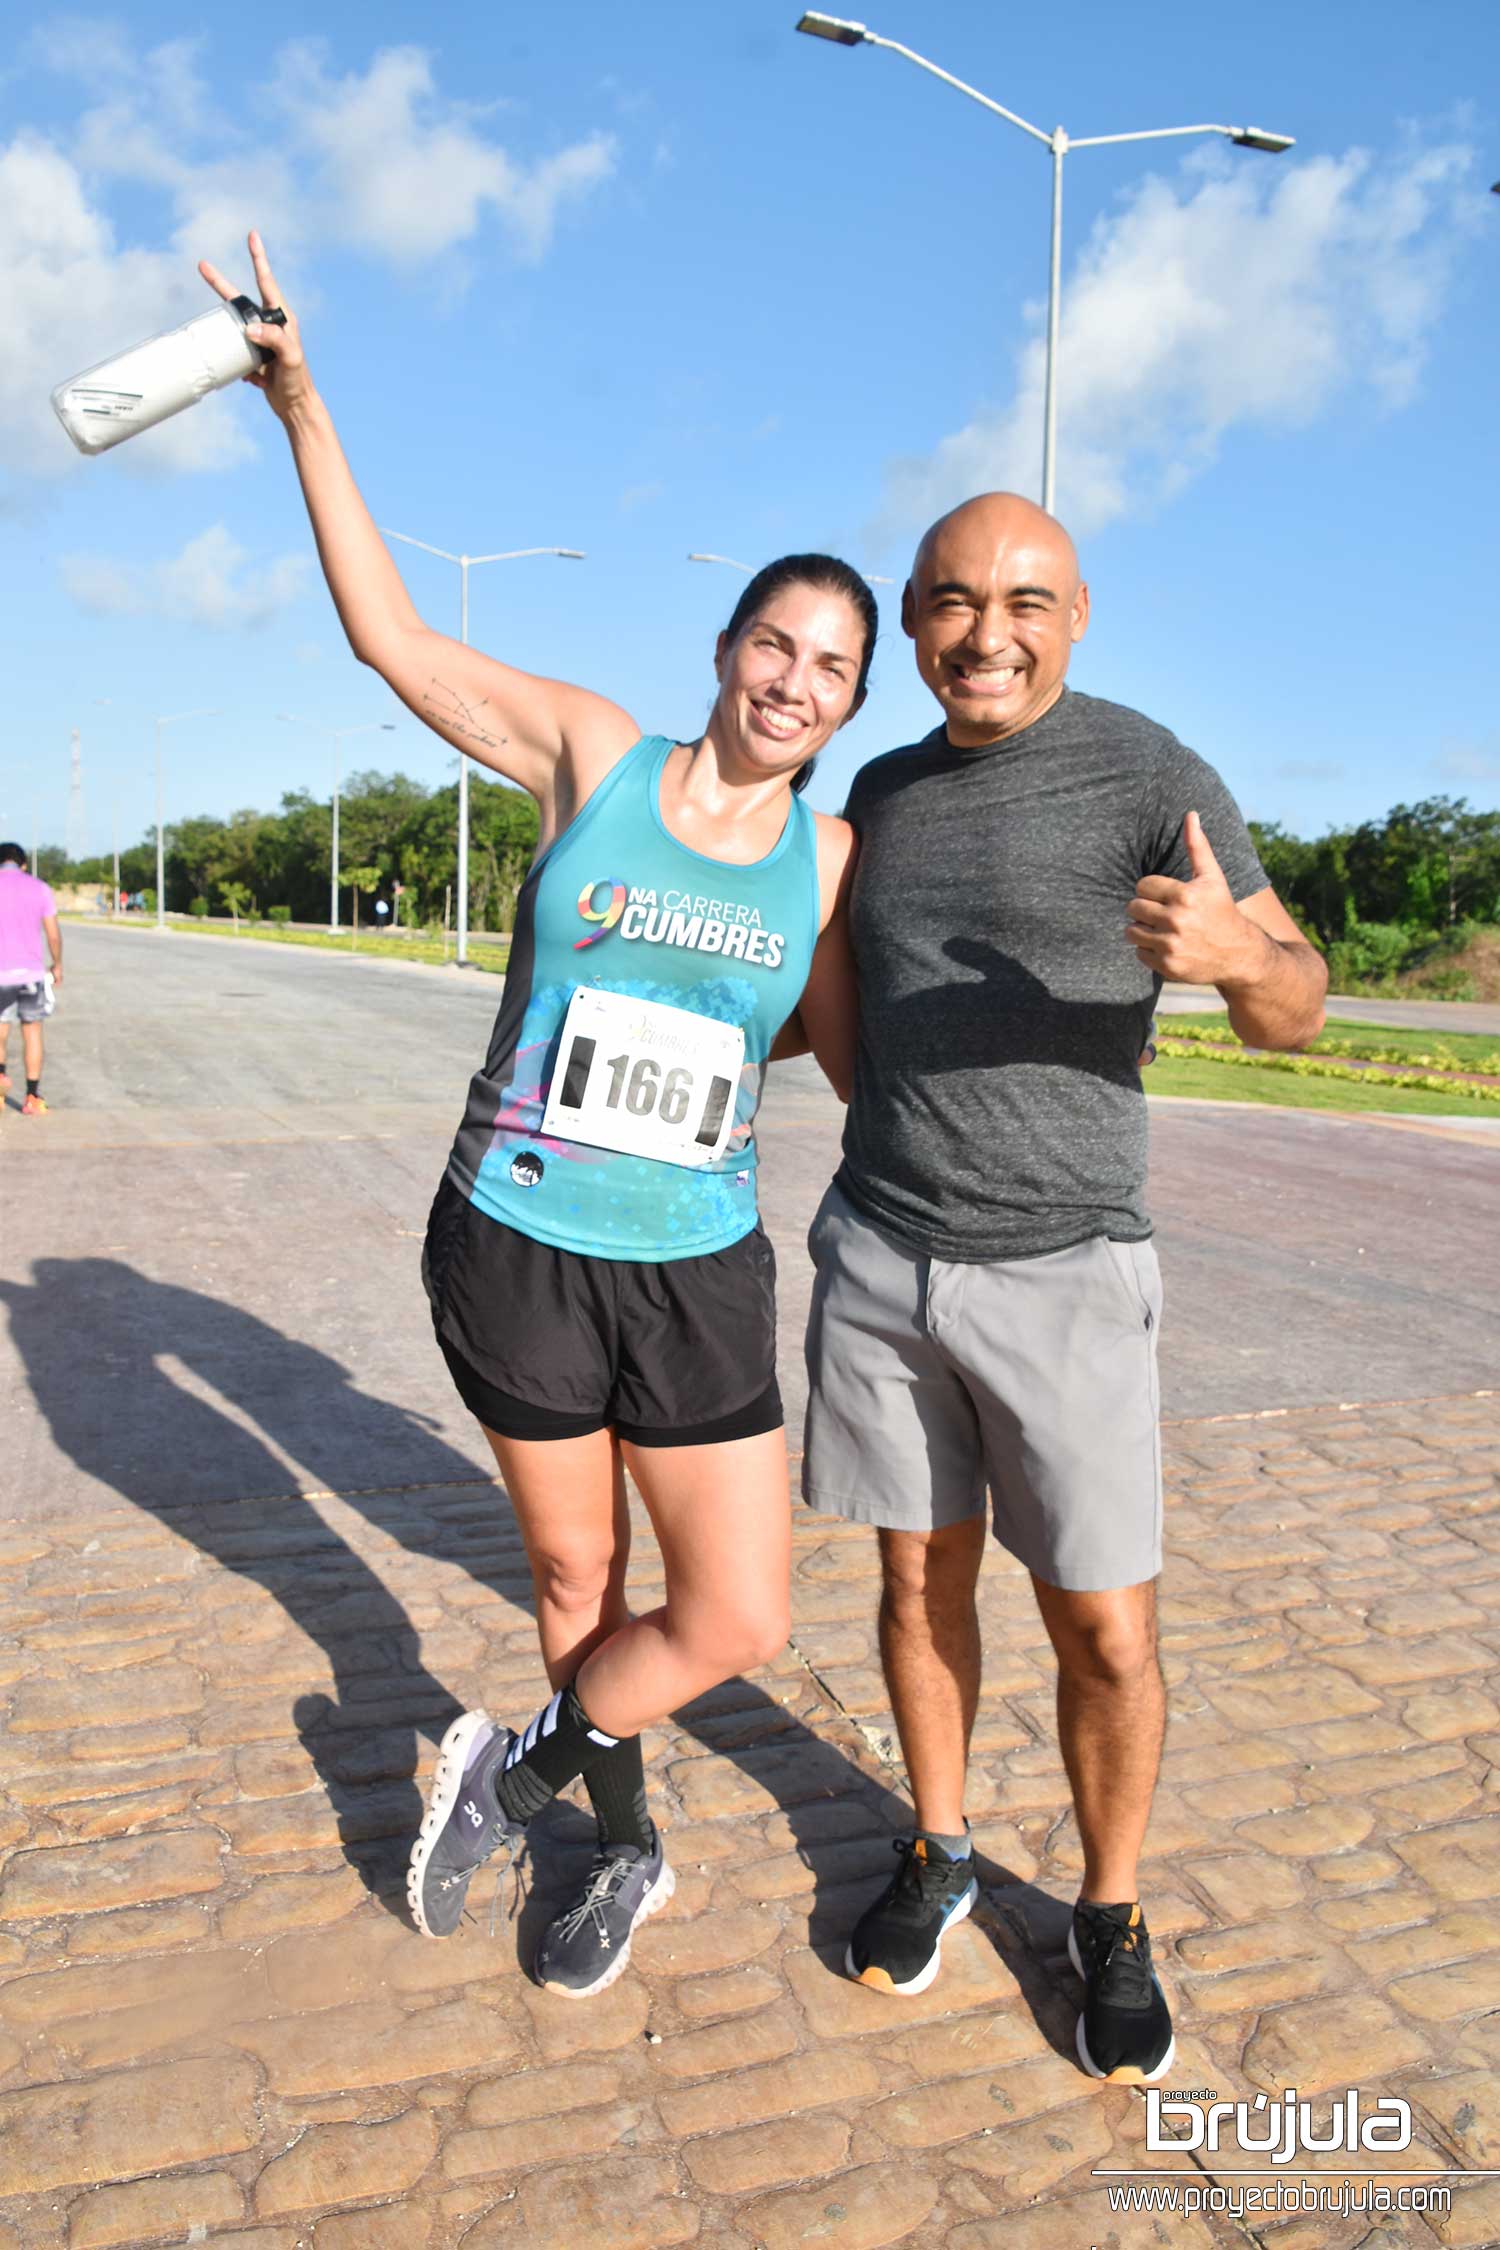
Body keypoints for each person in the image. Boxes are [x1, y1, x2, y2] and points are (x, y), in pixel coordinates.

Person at [200, 233, 868, 1995]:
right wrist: (303, 408)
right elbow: (388, 637)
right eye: (776, 643)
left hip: (697, 1261)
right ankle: (620, 1850)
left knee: (733, 1612)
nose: (794, 681)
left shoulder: (838, 857)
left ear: (848, 707)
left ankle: (516, 1767)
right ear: (727, 648)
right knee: (578, 1579)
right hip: (517, 1237)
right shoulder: (594, 751)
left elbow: (816, 1047)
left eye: (830, 670)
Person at [801, 492, 1327, 2082]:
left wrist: (1239, 959)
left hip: (1070, 1269)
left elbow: (1296, 1001)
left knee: (1101, 1625)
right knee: (914, 1589)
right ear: (911, 619)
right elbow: (827, 996)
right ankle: (943, 1844)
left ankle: (1109, 1909)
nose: (989, 632)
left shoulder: (1151, 772)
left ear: (1078, 612)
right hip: (886, 1257)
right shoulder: (878, 790)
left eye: (1026, 600)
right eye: (955, 602)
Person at [0, 844, 63, 1115]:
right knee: (32, 1032)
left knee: (0, 1031)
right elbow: (52, 934)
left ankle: (0, 1080)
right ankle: (32, 1097)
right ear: (23, 864)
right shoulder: (39, 888)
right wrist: (57, 964)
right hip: (32, 974)